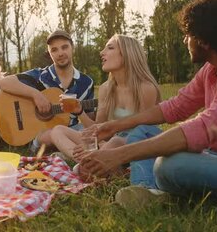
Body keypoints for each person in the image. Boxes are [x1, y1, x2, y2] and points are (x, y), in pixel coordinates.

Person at [80, 0, 217, 207]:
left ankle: (159, 186)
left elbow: (203, 127)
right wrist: (115, 125)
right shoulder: (212, 69)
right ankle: (147, 191)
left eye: (188, 35)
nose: (186, 40)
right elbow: (176, 106)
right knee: (144, 130)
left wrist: (117, 155)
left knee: (169, 165)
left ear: (203, 41)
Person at [50, 34, 161, 169]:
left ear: (127, 54)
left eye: (110, 48)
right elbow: (98, 128)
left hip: (134, 145)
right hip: (108, 142)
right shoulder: (105, 89)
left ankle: (88, 163)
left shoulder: (145, 88)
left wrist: (105, 144)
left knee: (116, 141)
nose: (102, 53)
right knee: (57, 131)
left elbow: (144, 133)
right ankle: (87, 161)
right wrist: (79, 111)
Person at [0, 30, 95, 152]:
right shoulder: (40, 76)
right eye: (54, 50)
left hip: (73, 130)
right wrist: (36, 94)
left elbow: (90, 125)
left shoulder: (86, 83)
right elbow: (3, 82)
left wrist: (80, 111)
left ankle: (66, 153)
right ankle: (79, 154)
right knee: (55, 131)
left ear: (72, 48)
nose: (60, 53)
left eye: (64, 47)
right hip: (42, 135)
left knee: (89, 133)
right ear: (50, 54)